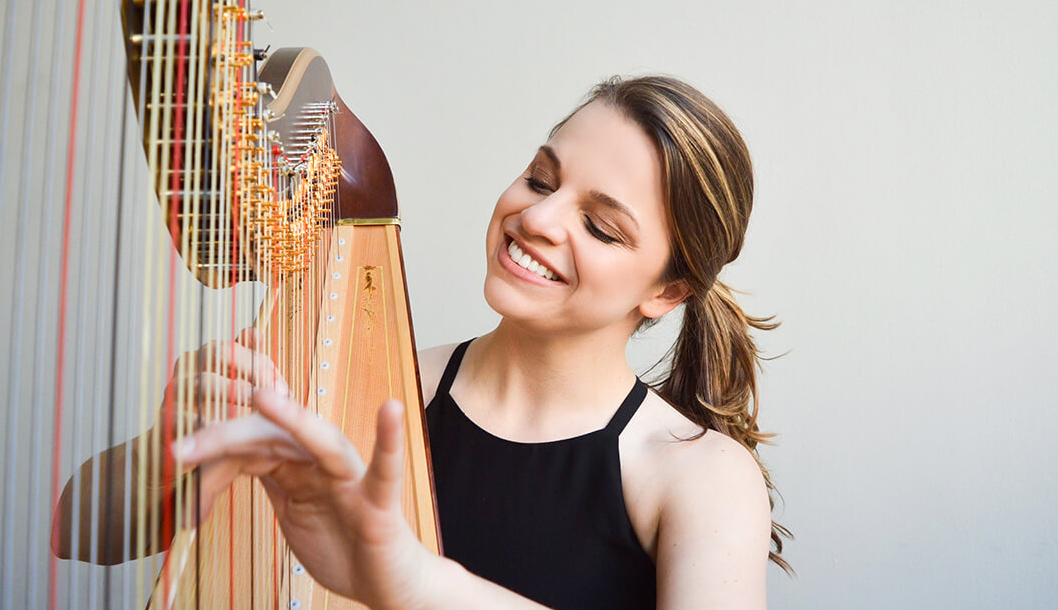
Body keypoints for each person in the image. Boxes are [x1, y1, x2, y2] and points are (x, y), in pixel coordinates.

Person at [55, 75, 790, 609]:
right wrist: (168, 454)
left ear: (666, 291)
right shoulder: (366, 385)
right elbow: (74, 529)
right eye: (541, 178)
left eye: (600, 226)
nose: (538, 218)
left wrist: (411, 581)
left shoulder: (698, 476)